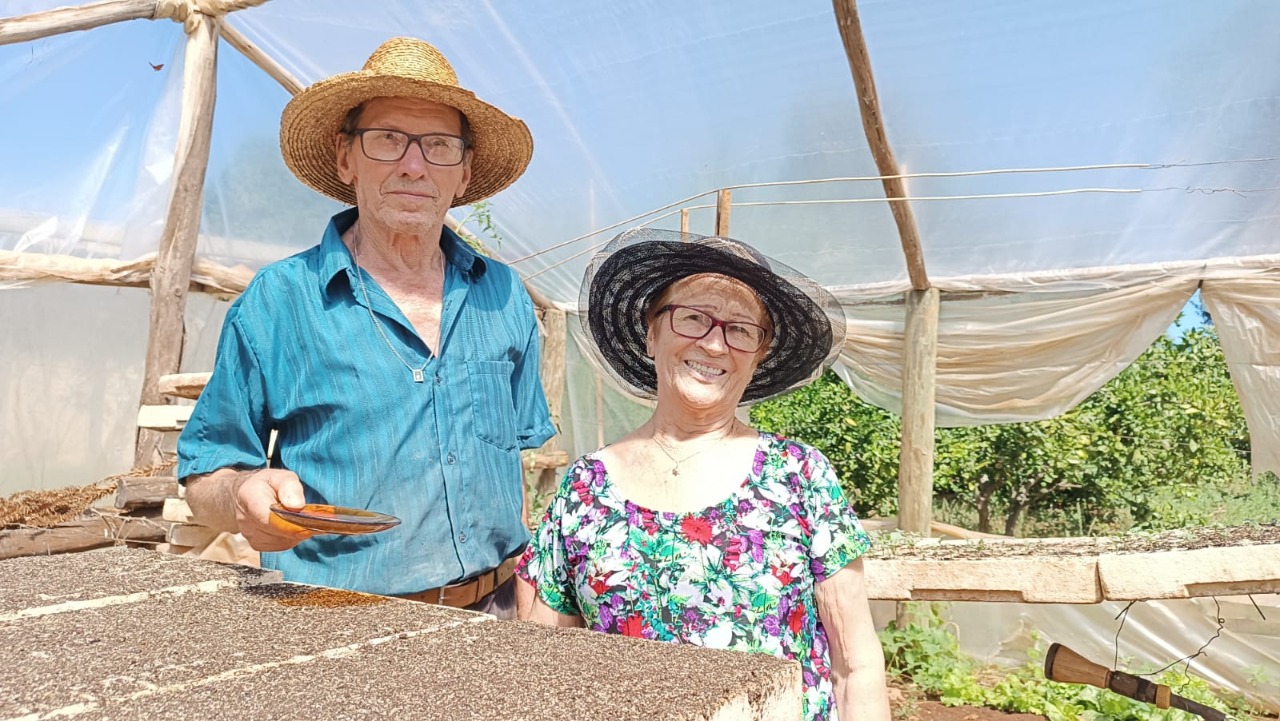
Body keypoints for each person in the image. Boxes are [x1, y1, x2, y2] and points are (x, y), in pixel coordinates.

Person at [177, 37, 555, 619]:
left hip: (499, 612)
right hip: (336, 617)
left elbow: (515, 473)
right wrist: (242, 496)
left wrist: (532, 600)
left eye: (438, 146)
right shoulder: (279, 301)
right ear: (345, 157)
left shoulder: (503, 296)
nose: (413, 164)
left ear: (464, 172)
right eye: (386, 140)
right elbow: (205, 479)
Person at [517, 228, 890, 720]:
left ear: (757, 356)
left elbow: (855, 665)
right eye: (693, 318)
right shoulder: (585, 489)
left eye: (740, 329)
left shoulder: (798, 477)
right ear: (652, 334)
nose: (715, 344)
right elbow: (545, 666)